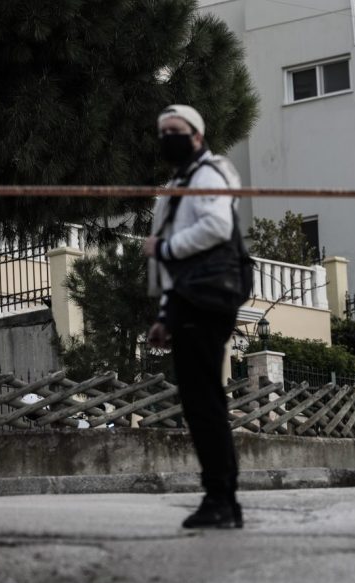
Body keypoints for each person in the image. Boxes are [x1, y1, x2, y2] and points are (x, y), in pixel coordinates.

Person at [143, 104, 243, 530]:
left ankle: (220, 498)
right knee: (201, 403)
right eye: (162, 131)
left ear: (197, 136)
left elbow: (216, 227)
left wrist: (165, 248)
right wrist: (166, 314)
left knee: (204, 405)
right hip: (191, 300)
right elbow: (180, 267)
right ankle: (223, 500)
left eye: (176, 130)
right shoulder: (180, 184)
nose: (168, 137)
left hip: (207, 300)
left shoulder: (206, 176)